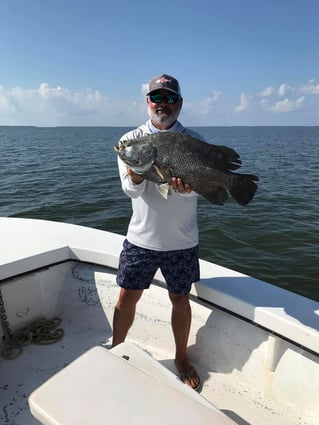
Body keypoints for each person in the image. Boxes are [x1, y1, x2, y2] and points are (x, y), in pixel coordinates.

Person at [112, 74, 205, 391]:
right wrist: (138, 177)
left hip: (182, 240)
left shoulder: (194, 142)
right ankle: (116, 347)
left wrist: (185, 188)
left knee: (181, 299)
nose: (161, 105)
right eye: (156, 98)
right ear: (147, 102)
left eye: (168, 98)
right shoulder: (130, 141)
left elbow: (196, 191)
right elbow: (130, 190)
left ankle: (181, 357)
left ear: (178, 103)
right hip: (142, 238)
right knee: (127, 296)